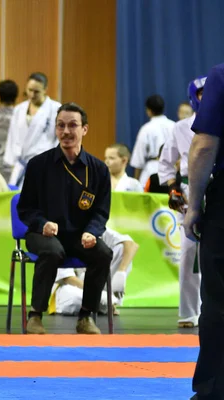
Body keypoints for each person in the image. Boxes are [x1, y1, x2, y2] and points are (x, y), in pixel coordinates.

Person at [17, 102, 112, 335]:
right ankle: (35, 315)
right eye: (61, 126)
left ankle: (86, 316)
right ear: (56, 129)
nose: (66, 131)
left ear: (85, 130)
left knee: (103, 253)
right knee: (52, 251)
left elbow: (101, 211)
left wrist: (93, 231)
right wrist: (41, 223)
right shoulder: (38, 165)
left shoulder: (98, 169)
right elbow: (25, 209)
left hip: (80, 236)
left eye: (72, 125)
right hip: (43, 235)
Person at [183, 62, 224, 400]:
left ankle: (214, 389)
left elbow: (205, 145)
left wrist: (194, 204)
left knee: (219, 299)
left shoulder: (222, 75)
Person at [159, 75, 206, 329]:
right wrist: (172, 188)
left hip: (219, 188)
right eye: (201, 94)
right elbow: (166, 163)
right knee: (189, 253)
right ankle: (189, 312)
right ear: (193, 97)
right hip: (190, 191)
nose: (206, 98)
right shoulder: (180, 128)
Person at [50, 227, 139, 316]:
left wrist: (121, 272)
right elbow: (67, 278)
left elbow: (131, 245)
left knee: (121, 249)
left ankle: (108, 300)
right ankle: (104, 303)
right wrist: (97, 293)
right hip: (72, 286)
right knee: (75, 299)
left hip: (97, 280)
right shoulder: (64, 233)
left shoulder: (98, 229)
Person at [4, 72, 61, 188]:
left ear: (45, 89)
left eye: (37, 92)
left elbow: (59, 140)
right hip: (21, 165)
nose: (32, 94)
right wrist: (11, 162)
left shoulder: (56, 109)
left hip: (44, 166)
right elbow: (12, 137)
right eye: (30, 90)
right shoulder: (19, 109)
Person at [130, 94, 175, 185]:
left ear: (149, 110)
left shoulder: (146, 128)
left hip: (152, 170)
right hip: (171, 169)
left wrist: (136, 181)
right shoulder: (174, 126)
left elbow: (138, 158)